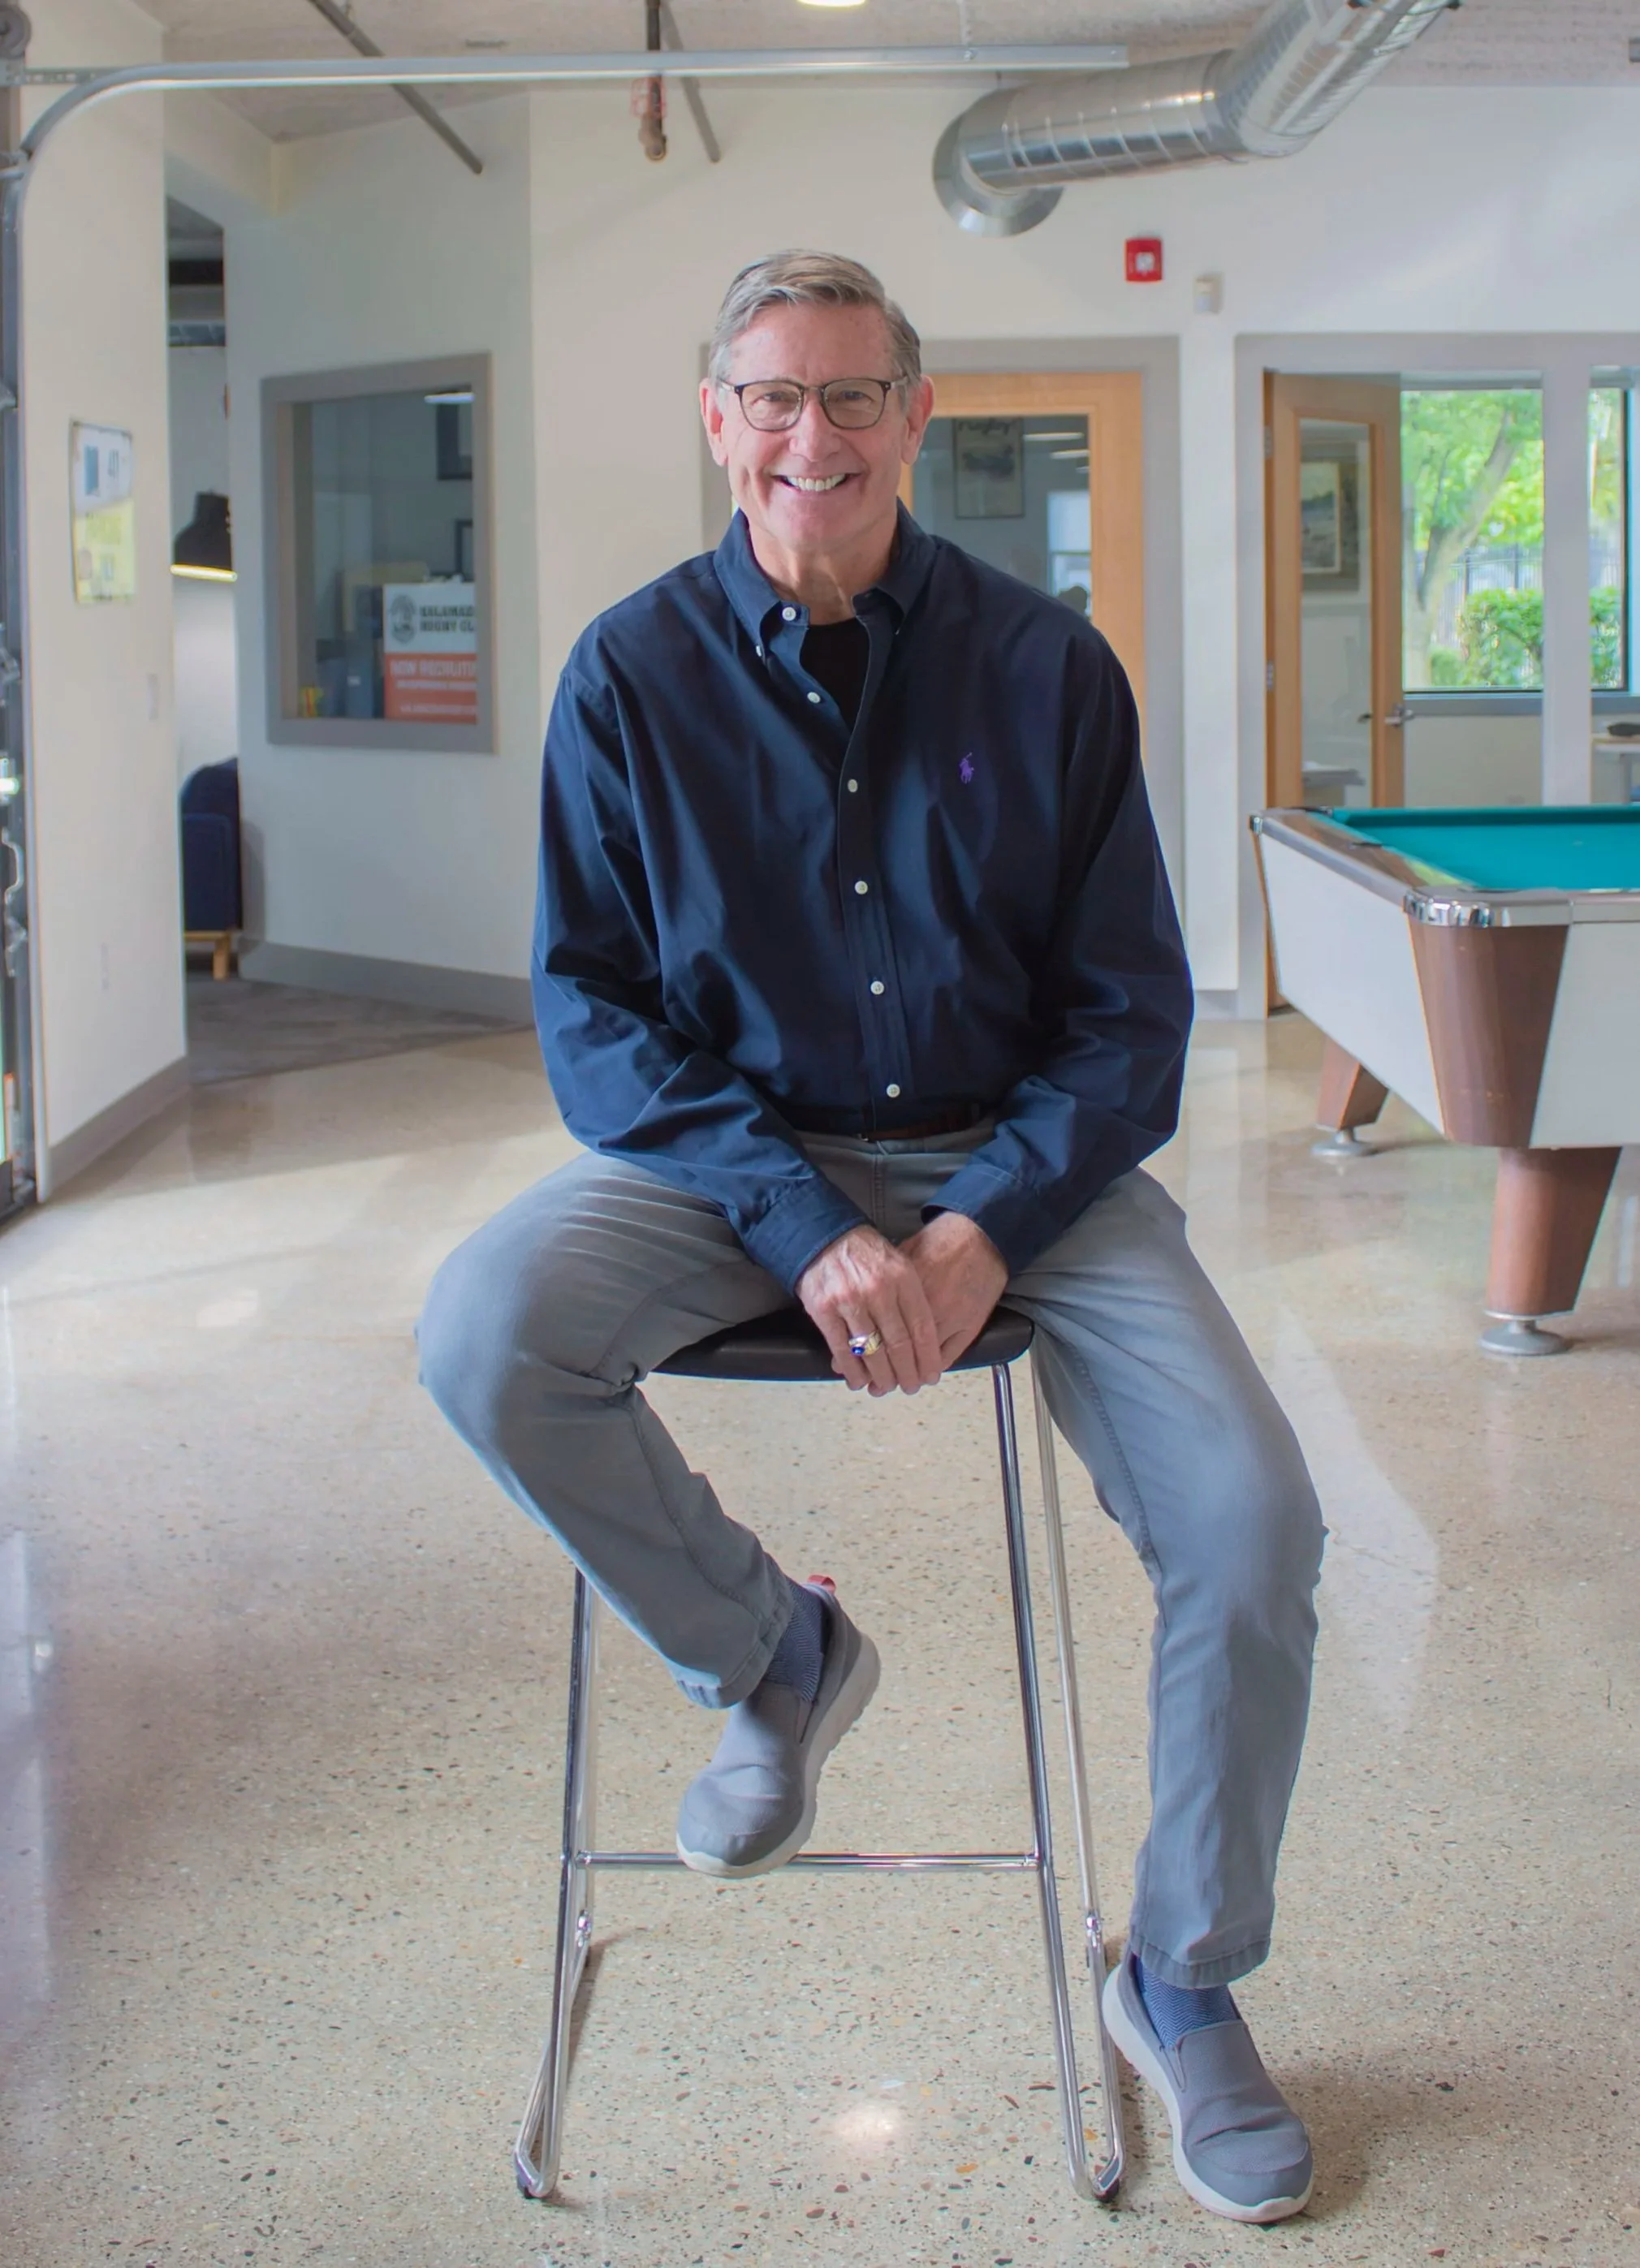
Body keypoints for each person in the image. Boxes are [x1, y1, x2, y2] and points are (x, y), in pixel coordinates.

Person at [419, 250, 1324, 2227]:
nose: (808, 437)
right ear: (715, 418)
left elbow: (1126, 1016)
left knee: (1254, 1520)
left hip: (1022, 1162)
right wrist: (801, 1217)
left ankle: (1179, 1976)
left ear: (915, 417)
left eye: (849, 397)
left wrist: (985, 1223)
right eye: (771, 396)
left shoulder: (1047, 666)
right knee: (484, 1325)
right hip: (733, 1160)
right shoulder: (626, 676)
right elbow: (593, 1015)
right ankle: (772, 1647)